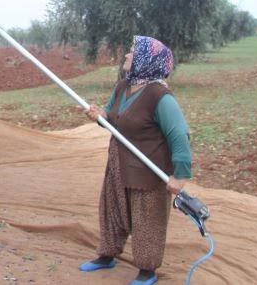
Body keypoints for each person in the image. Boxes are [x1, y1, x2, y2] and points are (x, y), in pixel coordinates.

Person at [79, 35, 192, 285]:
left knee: (147, 220)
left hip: (148, 171)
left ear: (146, 60)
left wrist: (180, 176)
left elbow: (180, 135)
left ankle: (147, 270)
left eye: (132, 52)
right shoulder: (123, 86)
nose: (127, 56)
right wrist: (100, 115)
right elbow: (113, 117)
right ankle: (107, 255)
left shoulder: (160, 97)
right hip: (118, 165)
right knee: (111, 211)